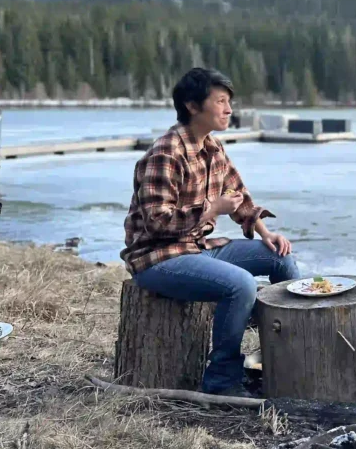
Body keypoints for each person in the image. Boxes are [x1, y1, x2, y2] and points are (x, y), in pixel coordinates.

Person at [121, 67, 299, 396]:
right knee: (240, 284)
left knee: (281, 260)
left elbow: (239, 196)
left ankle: (288, 360)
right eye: (220, 101)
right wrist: (212, 210)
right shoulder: (164, 154)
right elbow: (157, 222)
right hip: (158, 257)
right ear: (192, 106)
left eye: (229, 102)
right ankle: (221, 381)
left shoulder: (213, 147)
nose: (229, 109)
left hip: (199, 246)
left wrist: (265, 232)